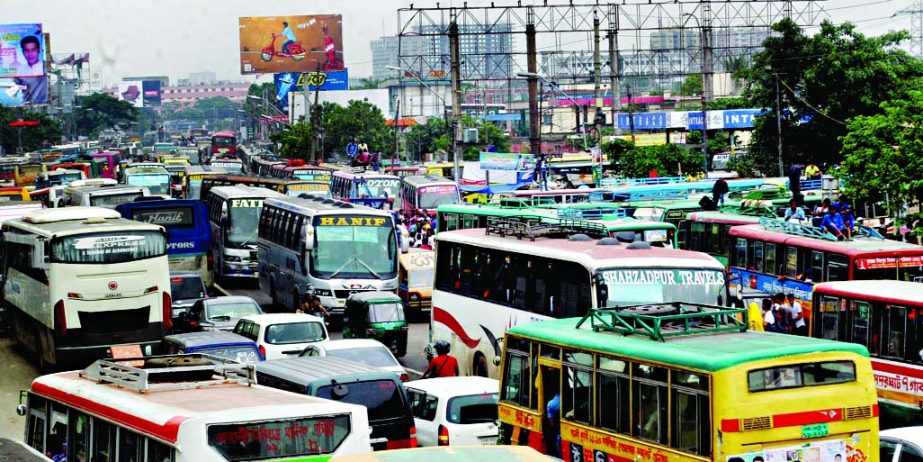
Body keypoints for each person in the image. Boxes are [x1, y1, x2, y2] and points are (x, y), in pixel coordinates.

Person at [546, 393, 561, 457]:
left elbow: (551, 421)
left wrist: (554, 428)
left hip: (559, 427)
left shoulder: (551, 403)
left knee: (558, 438)